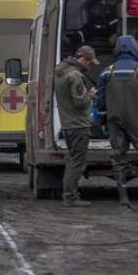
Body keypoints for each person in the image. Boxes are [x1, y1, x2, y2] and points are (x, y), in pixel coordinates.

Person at [94, 36, 138, 206]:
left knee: (118, 157)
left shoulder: (108, 72)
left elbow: (99, 100)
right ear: (135, 50)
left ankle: (123, 197)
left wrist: (103, 122)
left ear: (117, 51)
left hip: (114, 121)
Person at [55, 46, 98, 208]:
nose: (89, 65)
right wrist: (92, 93)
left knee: (72, 160)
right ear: (82, 59)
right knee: (78, 163)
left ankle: (69, 195)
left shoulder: (61, 71)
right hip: (78, 125)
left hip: (68, 124)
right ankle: (71, 197)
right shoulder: (75, 75)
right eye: (89, 62)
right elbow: (80, 101)